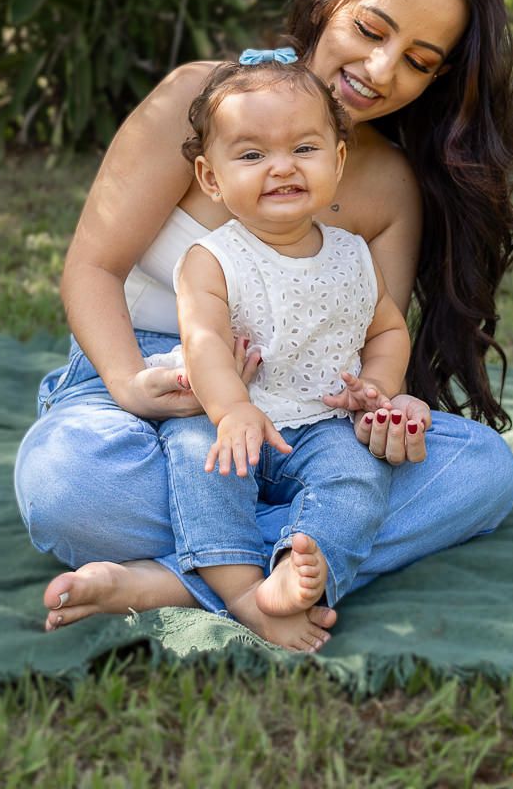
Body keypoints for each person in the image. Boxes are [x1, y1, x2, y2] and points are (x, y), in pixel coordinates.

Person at [14, 0, 513, 640]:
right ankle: (297, 554)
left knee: (484, 471)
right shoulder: (196, 101)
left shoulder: (391, 188)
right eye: (371, 30)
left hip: (309, 418)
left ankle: (187, 580)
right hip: (156, 387)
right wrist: (128, 388)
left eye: (419, 62)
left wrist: (384, 405)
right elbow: (92, 267)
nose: (380, 71)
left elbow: (373, 345)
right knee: (67, 486)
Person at [153, 57, 411, 650]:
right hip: (231, 418)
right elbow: (205, 341)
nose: (281, 168)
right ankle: (243, 591)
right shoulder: (212, 257)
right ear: (211, 177)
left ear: (338, 161)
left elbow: (388, 331)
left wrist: (377, 389)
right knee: (200, 461)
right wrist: (230, 409)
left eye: (304, 148)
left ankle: (304, 556)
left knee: (359, 473)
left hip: (322, 422)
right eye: (251, 156)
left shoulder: (353, 254)